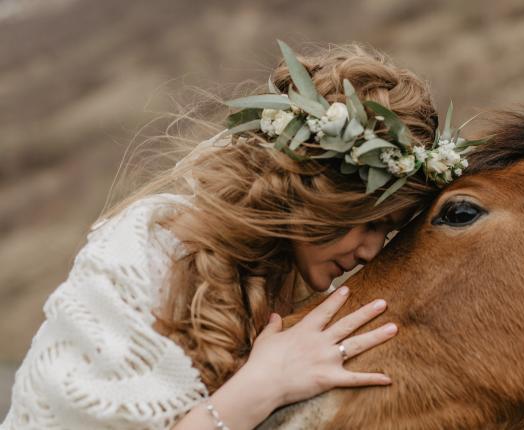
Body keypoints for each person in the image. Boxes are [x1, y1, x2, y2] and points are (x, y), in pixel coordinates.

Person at [1, 40, 478, 430]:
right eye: (368, 220)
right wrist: (263, 387)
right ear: (317, 191)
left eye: (389, 230)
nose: (372, 250)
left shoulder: (303, 291)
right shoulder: (149, 247)